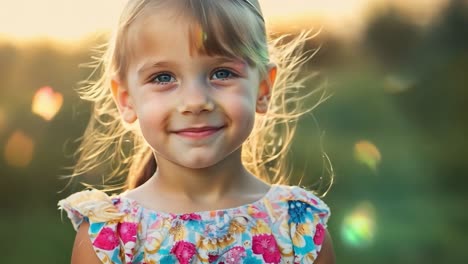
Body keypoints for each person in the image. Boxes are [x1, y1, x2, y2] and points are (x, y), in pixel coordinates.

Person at [58, 0, 335, 263]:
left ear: (263, 89)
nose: (195, 101)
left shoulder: (299, 228)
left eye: (222, 73)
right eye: (163, 77)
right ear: (126, 99)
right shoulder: (109, 238)